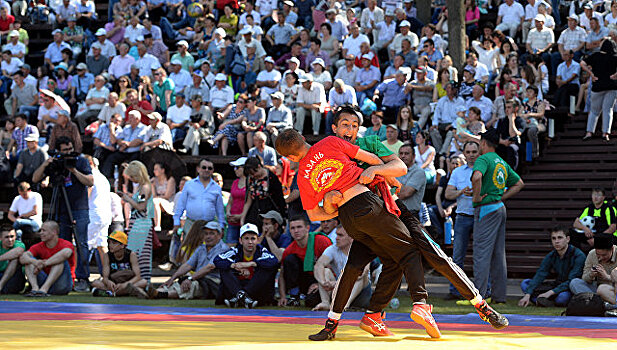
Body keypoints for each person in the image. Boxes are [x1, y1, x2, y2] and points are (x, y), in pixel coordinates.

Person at [32, 137, 93, 293]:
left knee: (81, 243)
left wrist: (73, 170)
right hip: (61, 209)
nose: (68, 153)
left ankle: (83, 278)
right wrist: (47, 163)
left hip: (79, 207)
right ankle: (66, 276)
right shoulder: (55, 163)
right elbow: (35, 178)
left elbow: (89, 182)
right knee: (63, 245)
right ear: (58, 150)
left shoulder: (80, 161)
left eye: (70, 149)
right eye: (65, 150)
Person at [471, 128, 525, 303]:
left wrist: (477, 196)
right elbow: (519, 183)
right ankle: (499, 296)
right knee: (498, 255)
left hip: (486, 209)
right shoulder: (500, 161)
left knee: (481, 254)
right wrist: (501, 196)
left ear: (484, 143)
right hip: (500, 207)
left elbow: (476, 177)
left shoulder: (483, 159)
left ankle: (478, 297)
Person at [148, 221, 230, 300]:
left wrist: (190, 279)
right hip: (199, 278)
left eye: (212, 233)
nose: (208, 236)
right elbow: (188, 265)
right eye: (206, 233)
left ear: (219, 235)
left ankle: (162, 294)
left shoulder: (223, 249)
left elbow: (209, 268)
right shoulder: (201, 248)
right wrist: (172, 278)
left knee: (192, 285)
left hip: (214, 281)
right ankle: (158, 292)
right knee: (178, 282)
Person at [444, 141, 479, 299]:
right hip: (462, 216)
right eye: (468, 152)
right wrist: (461, 192)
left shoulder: (483, 168)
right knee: (457, 256)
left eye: (474, 152)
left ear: (479, 153)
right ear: (464, 154)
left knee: (481, 257)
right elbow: (448, 194)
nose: (471, 155)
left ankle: (483, 292)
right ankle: (454, 291)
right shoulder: (457, 172)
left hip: (480, 217)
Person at [518, 227, 585, 307]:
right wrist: (527, 294)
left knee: (562, 298)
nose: (556, 241)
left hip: (569, 288)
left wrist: (550, 292)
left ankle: (542, 300)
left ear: (567, 239)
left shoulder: (578, 255)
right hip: (556, 285)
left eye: (560, 238)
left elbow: (571, 281)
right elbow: (540, 274)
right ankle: (542, 300)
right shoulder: (551, 255)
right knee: (525, 283)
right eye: (554, 238)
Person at [215, 223, 279, 307]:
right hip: (237, 287)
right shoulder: (235, 251)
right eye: (246, 238)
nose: (250, 242)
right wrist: (234, 266)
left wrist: (251, 264)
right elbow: (217, 260)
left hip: (256, 291)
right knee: (224, 267)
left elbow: (274, 261)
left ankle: (242, 296)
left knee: (268, 267)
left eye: (253, 238)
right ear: (240, 241)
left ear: (258, 240)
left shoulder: (262, 251)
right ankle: (242, 297)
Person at [312, 224, 371, 311]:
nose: (336, 238)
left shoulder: (361, 250)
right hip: (341, 291)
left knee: (360, 276)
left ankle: (344, 305)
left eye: (340, 235)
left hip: (361, 293)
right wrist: (324, 282)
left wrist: (337, 283)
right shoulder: (333, 249)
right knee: (325, 271)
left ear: (351, 238)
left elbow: (361, 274)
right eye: (336, 234)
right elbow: (318, 265)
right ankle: (325, 302)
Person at [278, 216, 332, 308]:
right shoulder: (289, 249)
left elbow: (332, 268)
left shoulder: (322, 241)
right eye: (292, 228)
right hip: (305, 279)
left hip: (324, 279)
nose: (296, 231)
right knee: (290, 259)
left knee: (311, 302)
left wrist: (319, 283)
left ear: (307, 228)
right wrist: (283, 296)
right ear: (289, 231)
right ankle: (294, 295)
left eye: (299, 227)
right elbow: (282, 274)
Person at [117, 160, 154, 282]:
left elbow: (141, 207)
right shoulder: (142, 187)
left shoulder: (145, 187)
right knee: (136, 255)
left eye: (132, 176)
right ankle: (139, 281)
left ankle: (144, 281)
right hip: (137, 224)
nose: (131, 179)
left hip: (141, 224)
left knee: (142, 256)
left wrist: (127, 198)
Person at [20, 221, 75, 296]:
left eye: (44, 230)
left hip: (62, 285)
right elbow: (23, 257)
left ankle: (44, 289)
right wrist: (35, 262)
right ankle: (35, 289)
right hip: (43, 282)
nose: (41, 233)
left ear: (54, 232)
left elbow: (66, 253)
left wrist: (44, 264)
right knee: (29, 261)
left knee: (59, 261)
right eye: (40, 230)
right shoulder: (39, 246)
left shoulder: (65, 244)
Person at [173, 158, 226, 236]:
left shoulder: (216, 188)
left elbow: (220, 210)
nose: (206, 170)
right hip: (191, 224)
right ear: (198, 169)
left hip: (209, 226)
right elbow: (180, 205)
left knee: (207, 248)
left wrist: (221, 226)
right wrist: (176, 222)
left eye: (210, 168)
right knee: (190, 248)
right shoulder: (189, 185)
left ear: (212, 170)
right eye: (204, 167)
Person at [91, 230, 147, 297]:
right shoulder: (107, 256)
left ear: (122, 245)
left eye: (114, 243)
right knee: (95, 283)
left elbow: (138, 276)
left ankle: (111, 293)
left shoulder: (131, 255)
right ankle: (124, 292)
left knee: (144, 282)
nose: (110, 245)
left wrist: (126, 284)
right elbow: (105, 277)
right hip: (114, 283)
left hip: (128, 282)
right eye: (109, 242)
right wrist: (108, 282)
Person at [580, 39, 617, 142]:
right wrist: (615, 75)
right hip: (612, 86)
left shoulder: (595, 56)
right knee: (608, 110)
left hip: (598, 86)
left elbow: (582, 63)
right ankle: (605, 133)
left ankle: (589, 132)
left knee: (594, 111)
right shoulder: (614, 57)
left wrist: (591, 74)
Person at [569, 233, 617, 305]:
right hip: (596, 291)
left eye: (604, 255)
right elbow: (584, 278)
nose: (600, 258)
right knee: (574, 283)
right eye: (598, 254)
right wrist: (591, 274)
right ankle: (599, 304)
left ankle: (596, 304)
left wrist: (607, 277)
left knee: (602, 289)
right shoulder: (592, 254)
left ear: (612, 249)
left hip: (613, 291)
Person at [240, 156, 287, 227]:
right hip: (254, 211)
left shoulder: (271, 178)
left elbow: (279, 199)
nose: (253, 176)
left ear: (259, 167)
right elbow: (248, 200)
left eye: (254, 173)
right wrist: (242, 217)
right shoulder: (250, 179)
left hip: (269, 211)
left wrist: (283, 216)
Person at [85, 155, 112, 275]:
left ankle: (81, 277)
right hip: (105, 216)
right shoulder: (104, 178)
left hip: (94, 215)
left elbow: (86, 196)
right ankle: (106, 275)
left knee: (83, 245)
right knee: (102, 246)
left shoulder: (92, 177)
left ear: (90, 164)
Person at [226, 157, 247, 244]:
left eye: (237, 167)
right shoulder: (235, 182)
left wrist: (241, 216)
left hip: (244, 221)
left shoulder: (250, 183)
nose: (235, 170)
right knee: (230, 245)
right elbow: (230, 200)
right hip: (232, 221)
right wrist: (228, 212)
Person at [0, 226, 25, 294]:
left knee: (15, 259)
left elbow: (18, 252)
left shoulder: (18, 244)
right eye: (7, 237)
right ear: (0, 238)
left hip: (14, 279)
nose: (10, 240)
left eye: (12, 236)